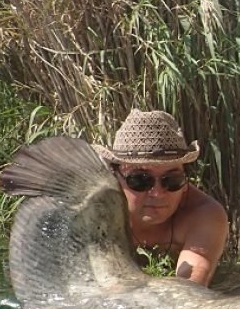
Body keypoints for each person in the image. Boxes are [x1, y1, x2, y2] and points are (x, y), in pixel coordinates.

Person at [93, 109, 228, 287]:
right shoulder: (94, 212)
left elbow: (190, 285)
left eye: (172, 180)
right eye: (140, 180)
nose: (157, 193)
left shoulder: (203, 215)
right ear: (114, 176)